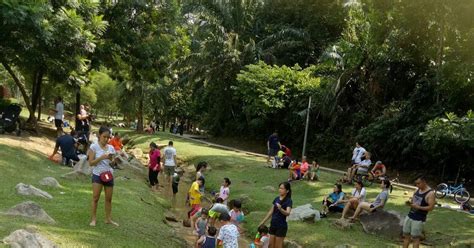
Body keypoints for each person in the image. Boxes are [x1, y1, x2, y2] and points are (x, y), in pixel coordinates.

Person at [88, 126, 118, 227]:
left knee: (109, 199)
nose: (106, 139)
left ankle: (108, 219)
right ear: (99, 135)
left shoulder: (111, 148)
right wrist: (101, 157)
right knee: (95, 198)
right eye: (104, 136)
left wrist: (112, 161)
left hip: (109, 175)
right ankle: (93, 219)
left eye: (108, 137)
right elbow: (91, 163)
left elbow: (113, 165)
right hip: (97, 175)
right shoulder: (94, 147)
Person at [403, 175, 435, 248]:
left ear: (424, 182)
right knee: (406, 236)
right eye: (416, 183)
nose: (417, 185)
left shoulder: (430, 193)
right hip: (410, 215)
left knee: (415, 239)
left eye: (418, 183)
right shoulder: (417, 190)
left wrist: (419, 207)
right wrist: (410, 203)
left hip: (419, 219)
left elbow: (431, 208)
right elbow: (413, 201)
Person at [259, 182, 292, 248]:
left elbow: (288, 213)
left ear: (287, 191)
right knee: (271, 245)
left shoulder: (289, 201)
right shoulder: (276, 199)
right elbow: (270, 212)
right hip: (273, 225)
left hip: (281, 226)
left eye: (282, 188)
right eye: (279, 188)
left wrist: (280, 209)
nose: (280, 190)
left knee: (277, 246)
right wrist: (262, 222)